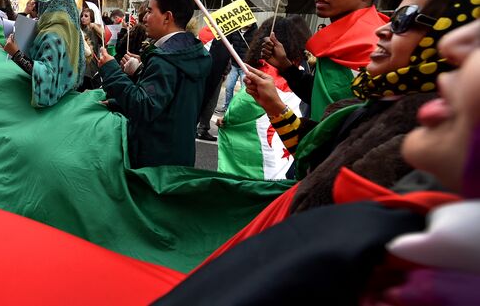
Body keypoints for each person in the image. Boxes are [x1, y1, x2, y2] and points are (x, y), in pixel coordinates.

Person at [154, 16, 480, 306]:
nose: (383, 29)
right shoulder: (364, 107)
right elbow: (315, 151)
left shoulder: (404, 234)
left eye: (405, 20)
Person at [245, 0, 479, 212]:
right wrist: (276, 103)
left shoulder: (429, 132)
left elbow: (332, 197)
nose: (382, 31)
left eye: (404, 19)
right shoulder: (377, 100)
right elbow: (318, 155)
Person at [263, 0, 390, 121]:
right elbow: (323, 101)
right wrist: (286, 67)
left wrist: (276, 107)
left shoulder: (376, 49)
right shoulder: (341, 41)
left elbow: (346, 131)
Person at [97, 0, 212, 168]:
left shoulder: (165, 59)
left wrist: (111, 69)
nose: (144, 18)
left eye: (150, 11)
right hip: (179, 155)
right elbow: (169, 104)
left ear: (167, 17)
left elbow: (144, 106)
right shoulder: (193, 52)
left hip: (154, 160)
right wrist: (117, 101)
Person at [215, 16, 311, 180]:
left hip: (256, 152)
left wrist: (228, 119)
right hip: (283, 145)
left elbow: (245, 105)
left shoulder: (266, 75)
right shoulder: (298, 71)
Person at [2, 0, 84, 107]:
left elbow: (47, 78)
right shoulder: (70, 29)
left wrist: (16, 54)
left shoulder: (53, 34)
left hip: (53, 105)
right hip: (68, 96)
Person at [218, 24, 256, 112]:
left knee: (244, 90)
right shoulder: (235, 30)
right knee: (229, 87)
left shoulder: (255, 32)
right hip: (234, 65)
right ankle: (227, 107)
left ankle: (240, 110)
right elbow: (227, 41)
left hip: (245, 66)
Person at [80, 7, 104, 89]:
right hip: (83, 61)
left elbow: (104, 36)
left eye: (86, 16)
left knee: (89, 83)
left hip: (92, 61)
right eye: (82, 15)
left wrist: (94, 26)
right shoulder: (81, 30)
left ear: (91, 18)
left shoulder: (93, 28)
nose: (83, 18)